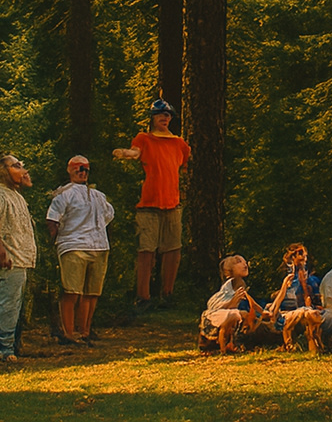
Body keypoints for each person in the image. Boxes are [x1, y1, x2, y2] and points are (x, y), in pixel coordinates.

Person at [112, 98, 190, 312]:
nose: (164, 118)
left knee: (172, 250)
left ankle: (168, 295)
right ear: (153, 118)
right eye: (160, 114)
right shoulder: (144, 138)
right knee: (146, 251)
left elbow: (185, 168)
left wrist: (183, 191)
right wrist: (125, 154)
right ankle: (143, 297)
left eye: (168, 115)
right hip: (148, 204)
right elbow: (136, 152)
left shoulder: (179, 143)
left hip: (173, 204)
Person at [47, 154, 115, 345]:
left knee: (92, 292)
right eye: (78, 167)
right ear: (70, 170)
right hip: (73, 245)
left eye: (85, 168)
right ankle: (68, 333)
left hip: (99, 245)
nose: (82, 171)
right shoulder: (64, 194)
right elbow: (52, 219)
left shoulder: (98, 196)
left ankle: (85, 331)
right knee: (72, 291)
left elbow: (108, 215)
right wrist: (54, 240)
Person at [0, 153, 36, 364]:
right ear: (3, 172)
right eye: (16, 166)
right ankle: (2, 350)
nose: (23, 170)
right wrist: (0, 251)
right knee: (7, 306)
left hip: (21, 259)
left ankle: (7, 347)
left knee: (14, 306)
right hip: (9, 260)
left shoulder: (17, 196)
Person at [199, 254, 265, 353]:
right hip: (220, 314)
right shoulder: (230, 286)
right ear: (228, 271)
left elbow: (252, 303)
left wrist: (263, 312)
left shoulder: (242, 285)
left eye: (245, 262)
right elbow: (224, 306)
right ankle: (228, 345)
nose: (245, 264)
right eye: (239, 262)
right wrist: (232, 303)